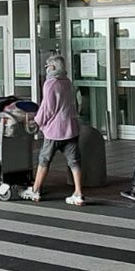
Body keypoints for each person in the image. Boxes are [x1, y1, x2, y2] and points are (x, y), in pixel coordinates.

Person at [18, 55, 85, 206]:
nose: (46, 69)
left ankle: (35, 190)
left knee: (44, 160)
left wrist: (37, 122)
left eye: (47, 66)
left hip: (55, 130)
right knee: (74, 161)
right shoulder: (67, 82)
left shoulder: (50, 84)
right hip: (71, 128)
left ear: (53, 67)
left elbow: (48, 108)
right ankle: (78, 193)